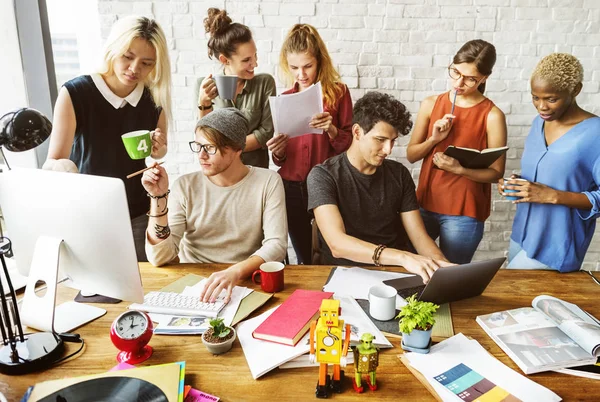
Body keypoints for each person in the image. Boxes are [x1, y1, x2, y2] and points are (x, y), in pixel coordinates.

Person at [45, 16, 171, 262]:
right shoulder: (76, 93)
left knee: (143, 287)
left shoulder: (152, 100)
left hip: (137, 212)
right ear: (113, 48)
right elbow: (56, 161)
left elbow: (156, 153)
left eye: (146, 63)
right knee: (92, 290)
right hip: (89, 214)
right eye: (127, 56)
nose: (135, 69)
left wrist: (159, 149)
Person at [142, 108, 287, 302]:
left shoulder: (268, 181)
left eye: (210, 148)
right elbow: (159, 257)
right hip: (194, 286)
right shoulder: (185, 186)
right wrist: (158, 197)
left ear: (237, 149)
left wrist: (235, 272)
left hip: (244, 281)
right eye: (198, 146)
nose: (201, 156)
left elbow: (276, 245)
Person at [307, 92, 452, 283]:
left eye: (393, 141)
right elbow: (337, 244)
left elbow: (419, 236)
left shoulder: (399, 174)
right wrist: (403, 257)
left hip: (395, 272)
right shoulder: (323, 175)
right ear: (357, 132)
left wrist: (442, 266)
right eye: (380, 139)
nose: (388, 150)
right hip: (345, 273)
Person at [406, 40, 507, 264]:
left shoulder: (492, 115)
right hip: (423, 205)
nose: (459, 83)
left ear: (484, 78)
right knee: (411, 270)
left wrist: (459, 169)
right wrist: (434, 139)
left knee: (450, 279)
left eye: (470, 78)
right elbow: (411, 155)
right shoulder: (431, 103)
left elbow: (495, 173)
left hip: (463, 214)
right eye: (455, 72)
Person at [499, 53, 600, 272]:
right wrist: (515, 185)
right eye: (535, 97)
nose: (541, 106)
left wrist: (553, 196)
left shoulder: (596, 133)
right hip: (521, 235)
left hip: (556, 244)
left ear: (575, 91)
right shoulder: (538, 124)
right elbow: (543, 175)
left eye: (551, 99)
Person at [266, 24, 352, 264]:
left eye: (307, 66)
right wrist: (278, 151)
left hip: (326, 183)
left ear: (320, 61)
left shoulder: (338, 93)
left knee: (330, 250)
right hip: (290, 186)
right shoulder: (284, 99)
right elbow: (279, 159)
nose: (301, 74)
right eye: (294, 67)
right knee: (303, 253)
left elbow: (349, 147)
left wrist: (332, 129)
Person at [195, 8, 275, 168]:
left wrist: (224, 146)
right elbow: (205, 138)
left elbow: (266, 134)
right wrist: (204, 102)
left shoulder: (265, 83)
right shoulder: (204, 86)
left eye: (255, 56)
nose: (255, 64)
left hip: (255, 172)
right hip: (220, 173)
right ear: (225, 60)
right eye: (247, 60)